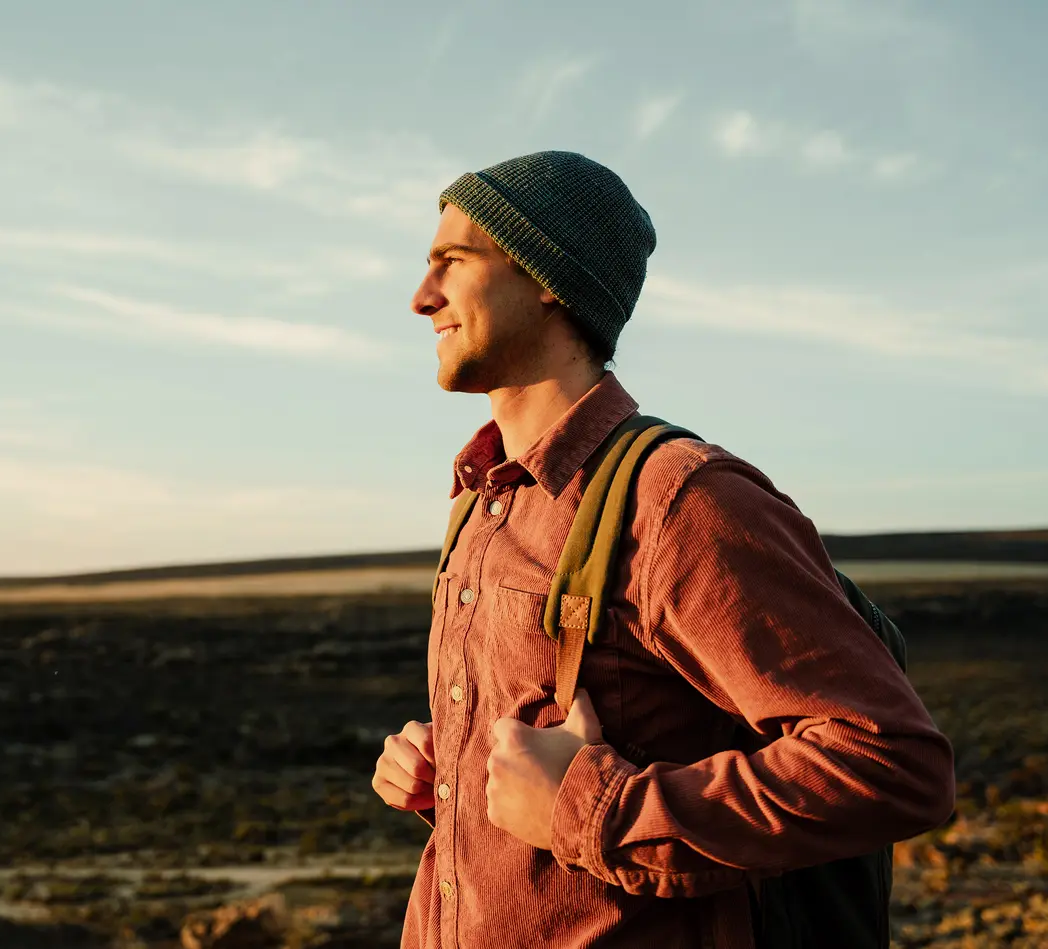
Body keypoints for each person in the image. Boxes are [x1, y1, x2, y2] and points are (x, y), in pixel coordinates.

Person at [371, 150, 955, 949]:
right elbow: (546, 778)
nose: (419, 297)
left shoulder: (681, 498)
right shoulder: (480, 503)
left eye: (452, 261)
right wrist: (449, 775)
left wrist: (589, 807)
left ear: (547, 276)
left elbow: (893, 766)